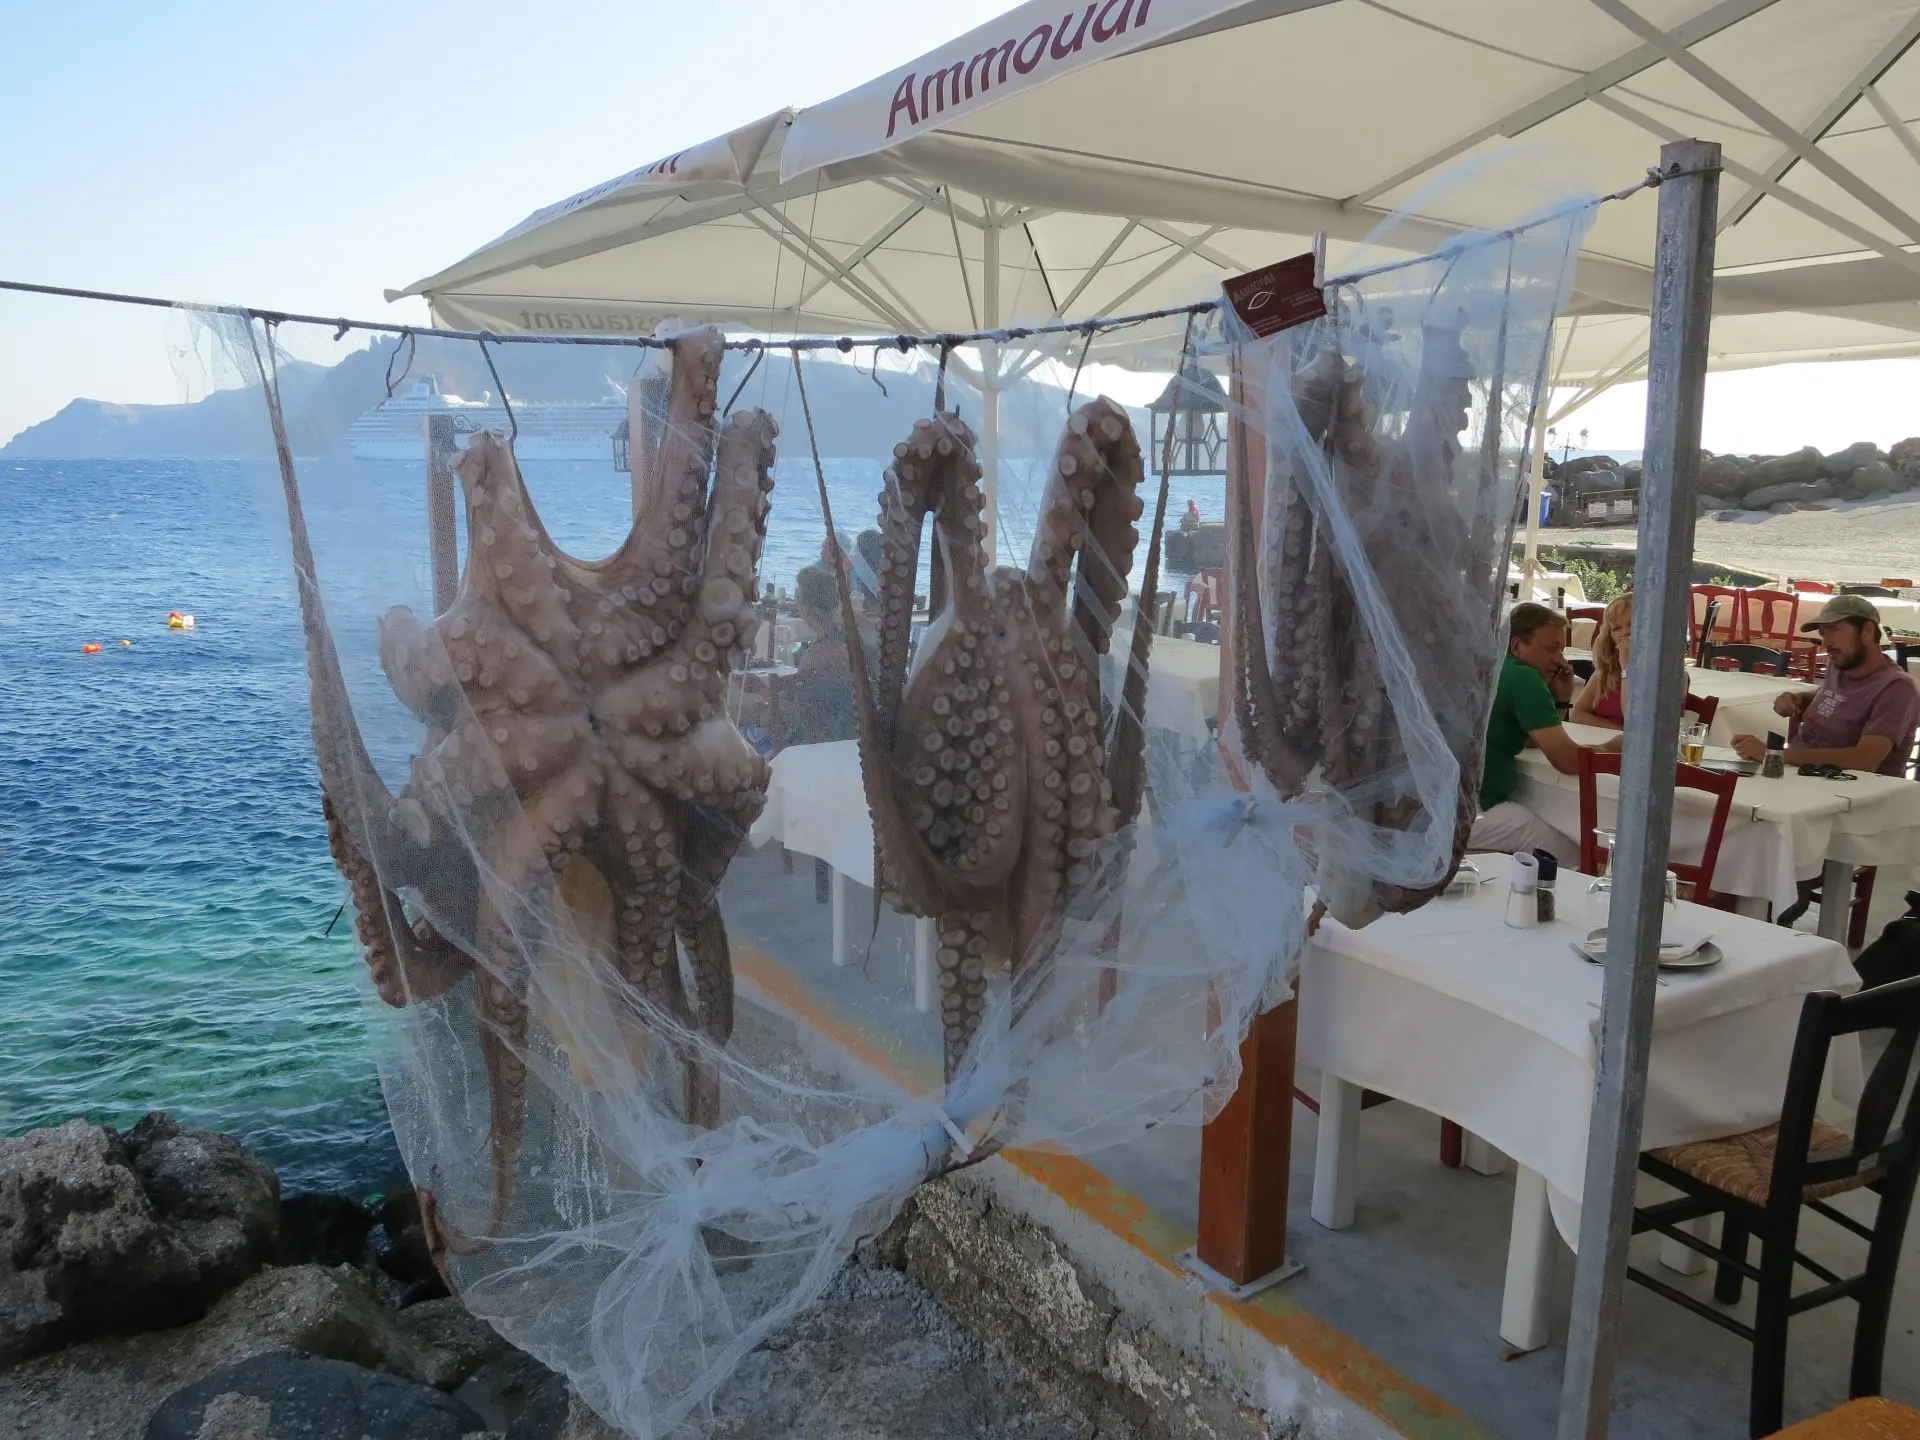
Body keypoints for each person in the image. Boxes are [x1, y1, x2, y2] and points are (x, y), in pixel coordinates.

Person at [1469, 602, 1620, 866]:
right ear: (1517, 646)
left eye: (1561, 648)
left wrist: (1560, 703)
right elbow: (1569, 762)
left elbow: (1529, 740)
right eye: (1551, 648)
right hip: (1473, 812)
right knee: (1579, 860)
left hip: (1439, 810)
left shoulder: (1494, 664)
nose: (1561, 659)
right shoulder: (1524, 678)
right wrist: (1616, 746)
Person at [1731, 594, 1919, 776]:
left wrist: (1774, 754)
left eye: (1835, 630)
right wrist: (1798, 699)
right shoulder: (1840, 666)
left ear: (1867, 631)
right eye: (1823, 632)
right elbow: (1841, 699)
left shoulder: (1897, 688)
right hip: (1801, 778)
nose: (1827, 641)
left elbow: (1864, 760)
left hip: (1853, 795)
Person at [1571, 592, 1633, 729]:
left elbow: (1634, 718)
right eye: (1617, 628)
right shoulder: (1607, 672)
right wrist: (1618, 731)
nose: (1625, 632)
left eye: (1632, 624)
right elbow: (1577, 714)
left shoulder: (1672, 673)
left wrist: (1627, 666)